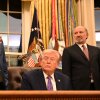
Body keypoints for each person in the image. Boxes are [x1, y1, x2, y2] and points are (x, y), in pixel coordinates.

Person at [62, 26, 100, 90]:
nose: (78, 35)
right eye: (75, 33)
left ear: (87, 35)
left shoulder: (96, 50)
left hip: (97, 86)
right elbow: (66, 72)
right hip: (78, 88)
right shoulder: (68, 51)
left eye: (81, 32)